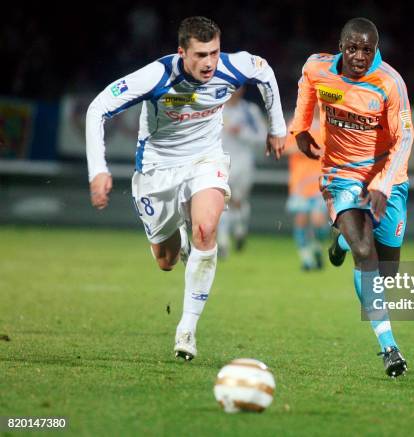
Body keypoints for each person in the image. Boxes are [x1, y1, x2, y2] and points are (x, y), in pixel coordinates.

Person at [86, 16, 286, 361]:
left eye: (215, 52)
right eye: (200, 55)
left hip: (205, 159)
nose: (210, 62)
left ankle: (187, 328)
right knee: (165, 260)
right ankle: (178, 233)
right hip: (157, 168)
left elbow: (265, 72)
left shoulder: (234, 66)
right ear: (182, 52)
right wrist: (98, 169)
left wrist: (277, 127)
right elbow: (97, 108)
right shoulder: (157, 75)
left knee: (206, 230)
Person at [290, 17, 412, 377]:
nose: (360, 56)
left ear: (376, 50)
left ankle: (340, 241)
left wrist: (384, 184)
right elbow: (306, 85)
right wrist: (300, 127)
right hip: (340, 173)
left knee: (386, 271)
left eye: (367, 49)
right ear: (341, 45)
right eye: (353, 47)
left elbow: (405, 139)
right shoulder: (319, 68)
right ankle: (389, 347)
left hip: (386, 176)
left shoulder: (390, 83)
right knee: (366, 253)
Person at [216, 87, 267, 258]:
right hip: (221, 161)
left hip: (243, 162)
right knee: (221, 201)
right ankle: (222, 241)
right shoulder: (216, 109)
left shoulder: (249, 110)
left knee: (238, 200)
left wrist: (243, 133)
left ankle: (240, 229)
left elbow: (263, 136)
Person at [285, 115, 328, 271]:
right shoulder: (297, 123)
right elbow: (285, 148)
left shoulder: (328, 123)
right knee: (301, 218)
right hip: (300, 183)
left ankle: (317, 246)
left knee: (318, 221)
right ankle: (306, 258)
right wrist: (305, 148)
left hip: (321, 181)